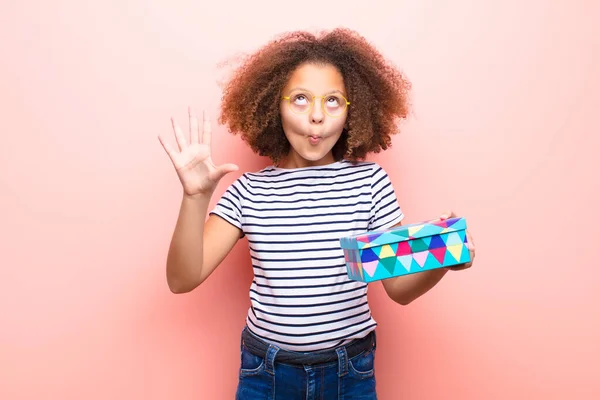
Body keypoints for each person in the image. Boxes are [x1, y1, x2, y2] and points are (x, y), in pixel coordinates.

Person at [158, 28, 476, 400]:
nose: (316, 117)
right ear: (273, 104)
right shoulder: (249, 191)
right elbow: (182, 279)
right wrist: (195, 197)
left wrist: (442, 258)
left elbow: (399, 291)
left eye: (332, 101)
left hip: (349, 372)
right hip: (267, 373)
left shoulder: (370, 183)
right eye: (300, 99)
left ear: (352, 108)